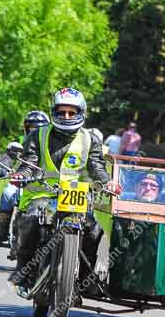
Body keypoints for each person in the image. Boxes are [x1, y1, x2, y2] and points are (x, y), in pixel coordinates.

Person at [8, 87, 121, 291]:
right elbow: (29, 161)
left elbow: (97, 165)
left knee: (94, 230)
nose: (66, 116)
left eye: (72, 112)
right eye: (61, 112)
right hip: (42, 193)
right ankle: (23, 267)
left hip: (75, 196)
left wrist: (107, 182)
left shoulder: (90, 139)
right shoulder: (38, 135)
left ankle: (86, 279)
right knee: (30, 218)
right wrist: (22, 175)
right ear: (54, 112)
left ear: (81, 113)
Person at [0, 110, 50, 245]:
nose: (35, 131)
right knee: (7, 193)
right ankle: (3, 230)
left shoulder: (51, 144)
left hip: (46, 182)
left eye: (40, 128)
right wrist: (3, 166)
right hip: (22, 180)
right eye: (32, 128)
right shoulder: (20, 141)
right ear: (26, 128)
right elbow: (8, 156)